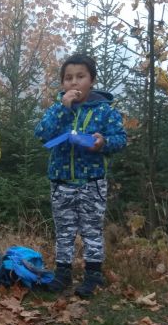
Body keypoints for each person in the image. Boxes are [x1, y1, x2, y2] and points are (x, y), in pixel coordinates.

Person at [34, 53, 127, 298]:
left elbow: (120, 139)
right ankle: (62, 274)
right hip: (61, 181)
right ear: (63, 83)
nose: (74, 82)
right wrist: (63, 109)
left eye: (80, 77)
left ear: (92, 80)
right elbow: (42, 133)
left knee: (91, 230)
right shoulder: (57, 109)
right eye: (68, 78)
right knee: (64, 231)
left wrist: (103, 142)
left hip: (92, 182)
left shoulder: (104, 111)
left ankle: (93, 276)